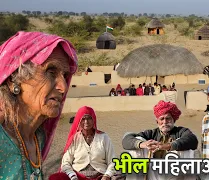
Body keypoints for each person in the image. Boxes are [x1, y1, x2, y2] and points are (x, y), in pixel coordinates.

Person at [0, 31, 78, 179]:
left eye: (65, 76)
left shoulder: (38, 137)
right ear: (13, 80)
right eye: (50, 72)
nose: (63, 87)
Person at [122, 100, 198, 180]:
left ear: (174, 120)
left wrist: (168, 146)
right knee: (137, 142)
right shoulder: (151, 133)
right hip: (154, 173)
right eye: (162, 119)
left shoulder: (181, 131)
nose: (165, 122)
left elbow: (193, 140)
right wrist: (142, 144)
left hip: (174, 173)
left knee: (186, 148)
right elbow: (126, 140)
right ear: (157, 121)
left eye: (168, 118)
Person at [49, 106, 119, 180]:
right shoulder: (75, 138)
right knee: (55, 178)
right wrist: (73, 176)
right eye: (83, 119)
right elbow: (66, 163)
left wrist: (107, 176)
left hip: (100, 176)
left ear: (93, 120)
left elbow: (113, 161)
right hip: (78, 176)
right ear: (79, 120)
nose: (86, 122)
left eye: (89, 118)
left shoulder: (104, 137)